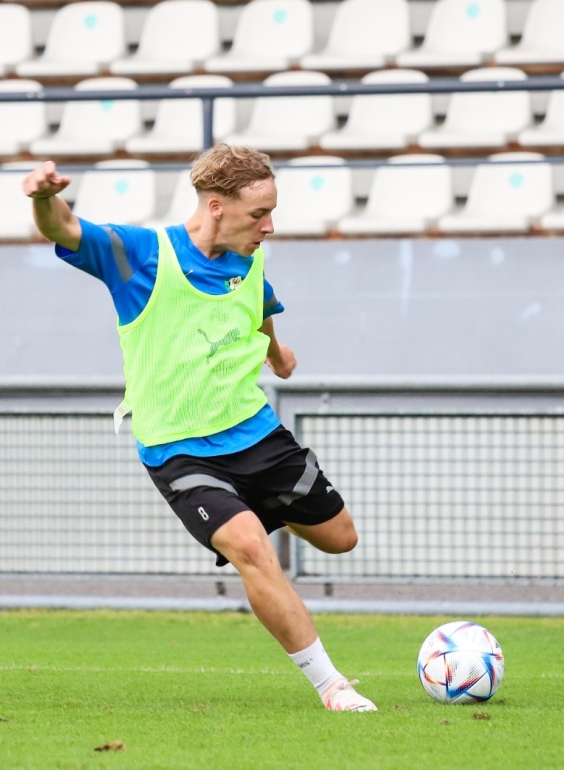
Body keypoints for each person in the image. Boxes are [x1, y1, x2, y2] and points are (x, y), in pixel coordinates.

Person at [22, 144, 376, 712]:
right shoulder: (142, 256)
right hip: (179, 451)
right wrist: (43, 198)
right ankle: (332, 685)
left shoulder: (250, 256)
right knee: (252, 550)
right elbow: (64, 227)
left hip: (256, 435)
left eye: (272, 212)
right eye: (259, 214)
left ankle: (251, 508)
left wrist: (278, 355)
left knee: (341, 538)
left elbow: (257, 303)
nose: (270, 226)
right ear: (216, 206)